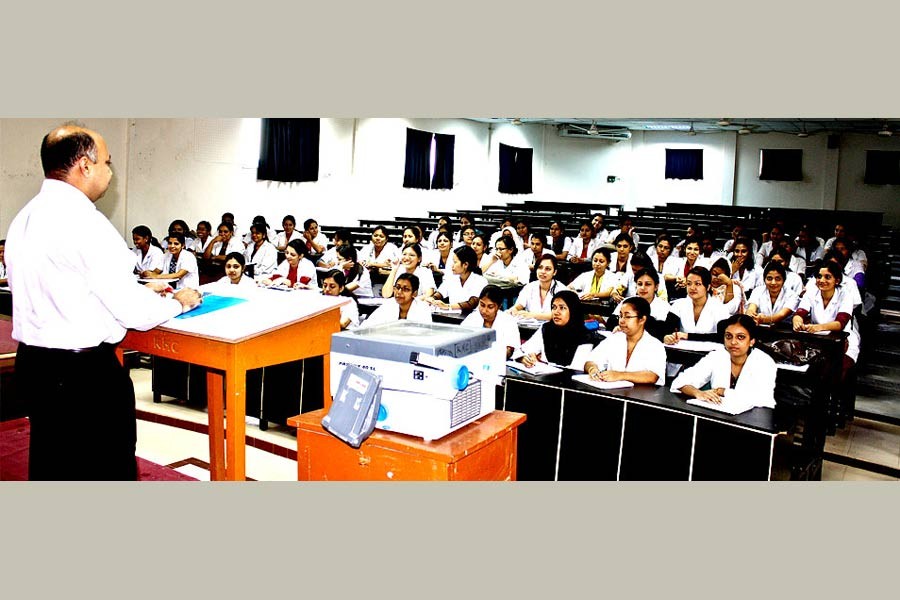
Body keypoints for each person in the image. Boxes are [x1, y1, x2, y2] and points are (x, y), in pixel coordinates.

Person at [5, 124, 202, 480]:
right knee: (105, 470)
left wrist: (138, 289)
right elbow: (135, 313)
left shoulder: (24, 218)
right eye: (107, 163)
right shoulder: (86, 222)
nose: (111, 173)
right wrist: (179, 301)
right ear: (85, 165)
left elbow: (69, 287)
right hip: (82, 376)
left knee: (52, 465)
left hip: (35, 363)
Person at [670, 314, 777, 409]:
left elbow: (762, 399)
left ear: (752, 341)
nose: (733, 342)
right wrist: (698, 393)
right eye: (728, 336)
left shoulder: (764, 362)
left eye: (740, 337)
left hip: (753, 420)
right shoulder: (717, 355)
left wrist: (722, 391)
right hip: (718, 415)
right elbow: (680, 381)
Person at [583, 296, 667, 385]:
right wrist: (593, 369)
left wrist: (620, 375)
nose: (621, 321)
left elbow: (652, 376)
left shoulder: (655, 345)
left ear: (642, 319)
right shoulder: (614, 339)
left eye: (628, 316)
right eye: (620, 316)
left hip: (642, 392)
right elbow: (590, 361)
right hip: (613, 391)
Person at [793, 262, 860, 365]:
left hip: (842, 339)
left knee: (838, 367)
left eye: (827, 277)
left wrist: (818, 327)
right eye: (819, 276)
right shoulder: (811, 292)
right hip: (816, 339)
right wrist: (797, 322)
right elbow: (800, 313)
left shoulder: (845, 295)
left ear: (837, 280)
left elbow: (840, 323)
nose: (822, 280)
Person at [514, 290, 592, 368]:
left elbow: (577, 368)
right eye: (554, 307)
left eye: (562, 308)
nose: (556, 312)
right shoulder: (547, 329)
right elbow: (522, 350)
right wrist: (524, 358)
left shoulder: (585, 336)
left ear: (573, 310)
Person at [665, 266, 734, 344]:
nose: (692, 288)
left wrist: (688, 336)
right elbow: (667, 330)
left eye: (697, 284)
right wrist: (667, 337)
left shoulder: (720, 308)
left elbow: (722, 336)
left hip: (711, 350)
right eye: (689, 283)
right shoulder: (678, 305)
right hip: (681, 349)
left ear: (708, 287)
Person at [606, 269, 677, 341]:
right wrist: (616, 327)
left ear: (656, 287)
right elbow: (611, 322)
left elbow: (663, 330)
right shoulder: (627, 302)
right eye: (639, 284)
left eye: (648, 284)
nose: (643, 288)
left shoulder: (664, 306)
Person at [461, 285, 521, 360]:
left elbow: (510, 349)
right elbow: (460, 341)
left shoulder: (508, 321)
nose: (484, 311)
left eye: (490, 307)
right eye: (482, 305)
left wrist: (494, 357)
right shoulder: (472, 318)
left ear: (499, 306)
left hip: (499, 361)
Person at [425, 245, 487, 311]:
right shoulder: (451, 278)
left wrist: (447, 306)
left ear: (465, 264)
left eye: (455, 262)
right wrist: (432, 299)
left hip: (472, 315)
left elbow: (472, 303)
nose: (452, 265)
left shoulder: (480, 281)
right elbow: (440, 293)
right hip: (452, 315)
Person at [363, 273, 433, 327]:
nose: (399, 292)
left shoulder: (422, 308)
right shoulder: (389, 304)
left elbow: (424, 333)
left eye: (405, 289)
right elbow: (368, 325)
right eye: (397, 287)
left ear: (414, 293)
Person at [508, 255, 564, 321]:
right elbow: (519, 305)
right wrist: (513, 310)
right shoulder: (529, 287)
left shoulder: (562, 290)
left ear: (554, 272)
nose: (543, 271)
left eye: (548, 269)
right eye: (540, 267)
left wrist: (532, 315)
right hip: (529, 326)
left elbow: (560, 314)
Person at [746, 261, 800, 326]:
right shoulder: (758, 290)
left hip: (784, 329)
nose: (773, 282)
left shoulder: (792, 295)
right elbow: (751, 308)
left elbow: (781, 315)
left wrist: (764, 319)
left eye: (778, 279)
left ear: (784, 280)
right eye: (769, 278)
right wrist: (751, 315)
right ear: (764, 279)